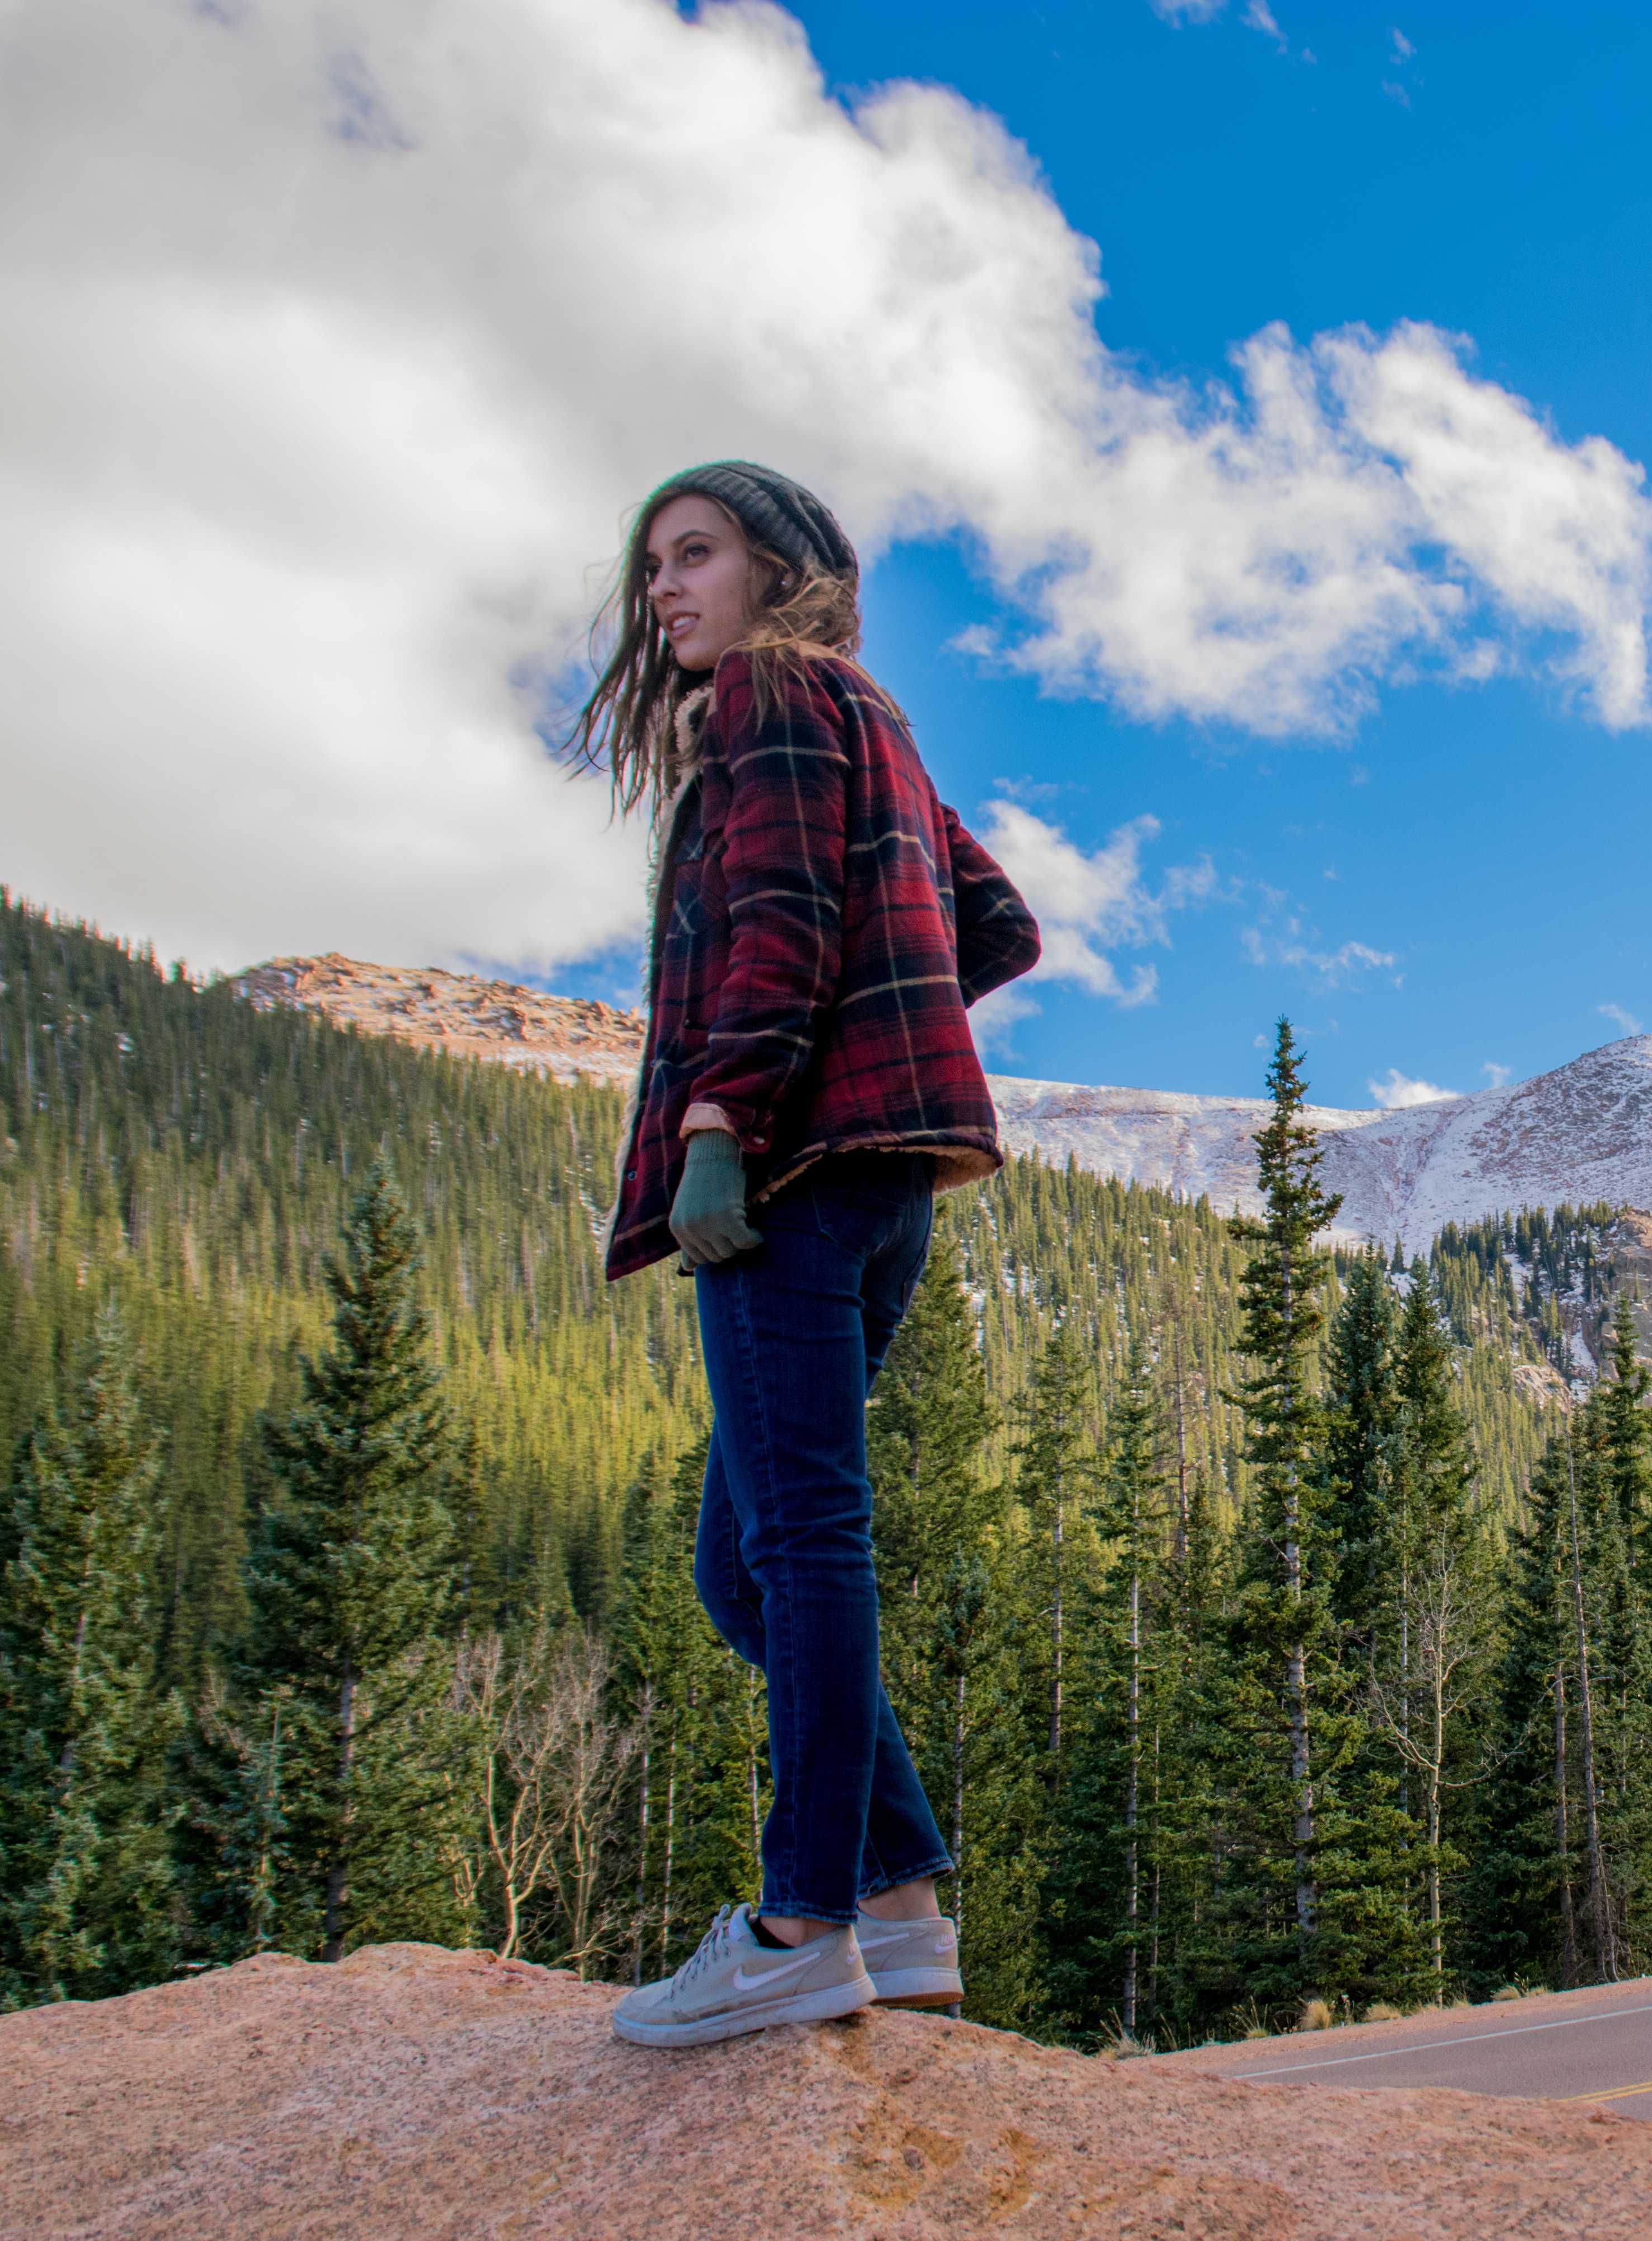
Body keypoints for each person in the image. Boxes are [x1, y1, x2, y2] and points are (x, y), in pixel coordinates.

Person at [576, 461, 1040, 2048]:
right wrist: (880, 1038)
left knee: (804, 1550)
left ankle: (799, 1928)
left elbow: (775, 917)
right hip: (886, 1182)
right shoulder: (876, 718)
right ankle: (900, 1910)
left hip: (780, 1181)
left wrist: (725, 1115)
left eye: (693, 556)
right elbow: (995, 925)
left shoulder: (771, 696)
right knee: (742, 1558)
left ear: (779, 568)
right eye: (653, 570)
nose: (666, 591)